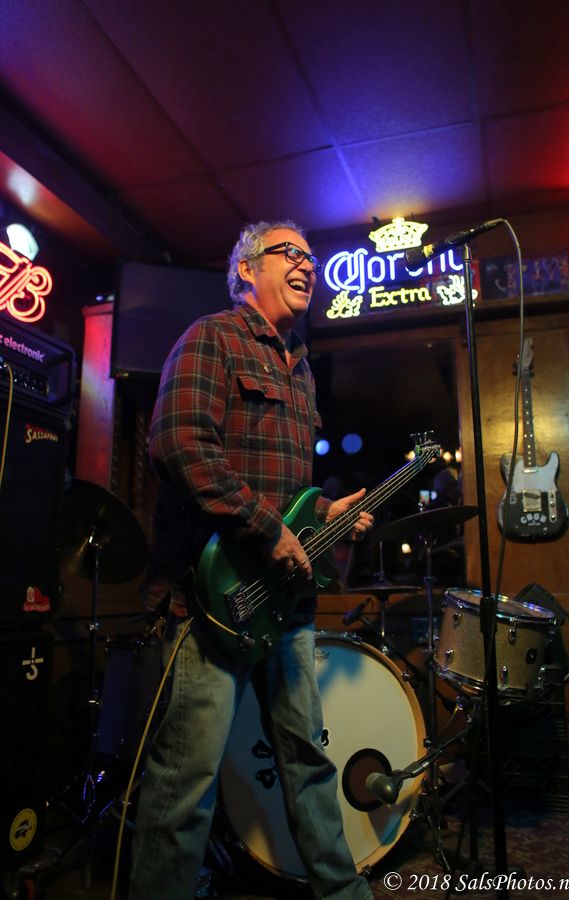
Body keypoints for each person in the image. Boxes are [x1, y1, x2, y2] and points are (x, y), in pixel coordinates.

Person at [129, 220, 374, 900]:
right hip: (208, 603)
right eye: (290, 253)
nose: (308, 265)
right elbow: (178, 443)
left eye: (312, 257)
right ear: (246, 269)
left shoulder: (302, 370)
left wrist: (322, 516)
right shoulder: (212, 337)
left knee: (309, 763)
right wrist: (267, 530)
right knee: (185, 786)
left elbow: (287, 500)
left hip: (284, 604)